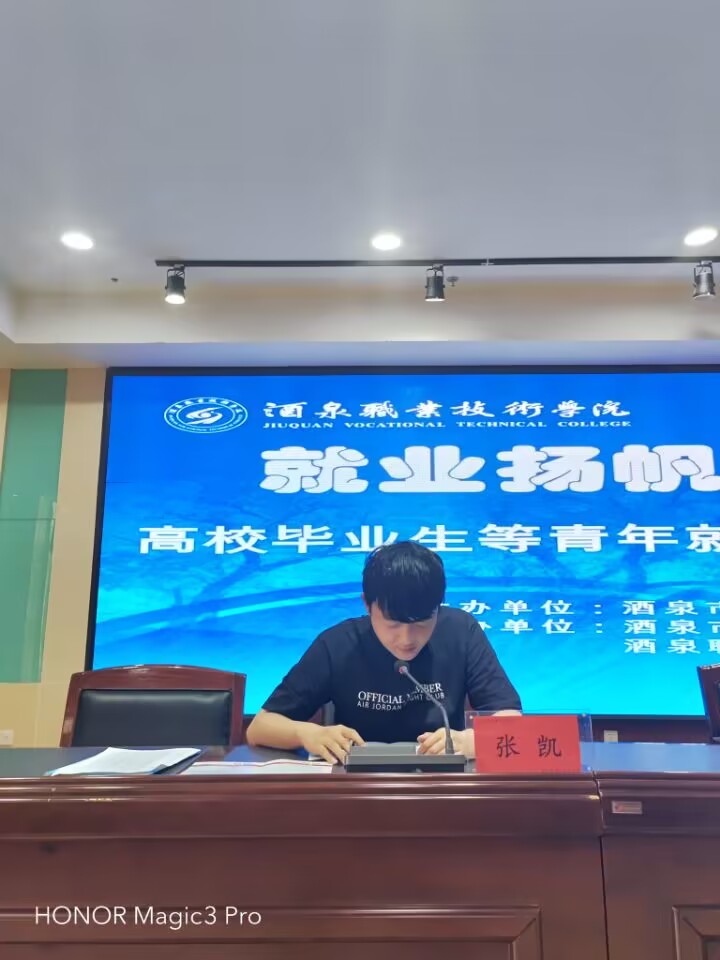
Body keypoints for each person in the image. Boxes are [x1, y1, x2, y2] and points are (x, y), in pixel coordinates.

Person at [246, 541, 521, 763]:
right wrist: (306, 733)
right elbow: (260, 727)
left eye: (421, 622)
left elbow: (511, 720)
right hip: (358, 787)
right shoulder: (338, 643)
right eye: (393, 623)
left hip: (442, 785)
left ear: (439, 606)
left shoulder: (461, 631)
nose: (407, 639)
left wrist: (475, 742)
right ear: (367, 604)